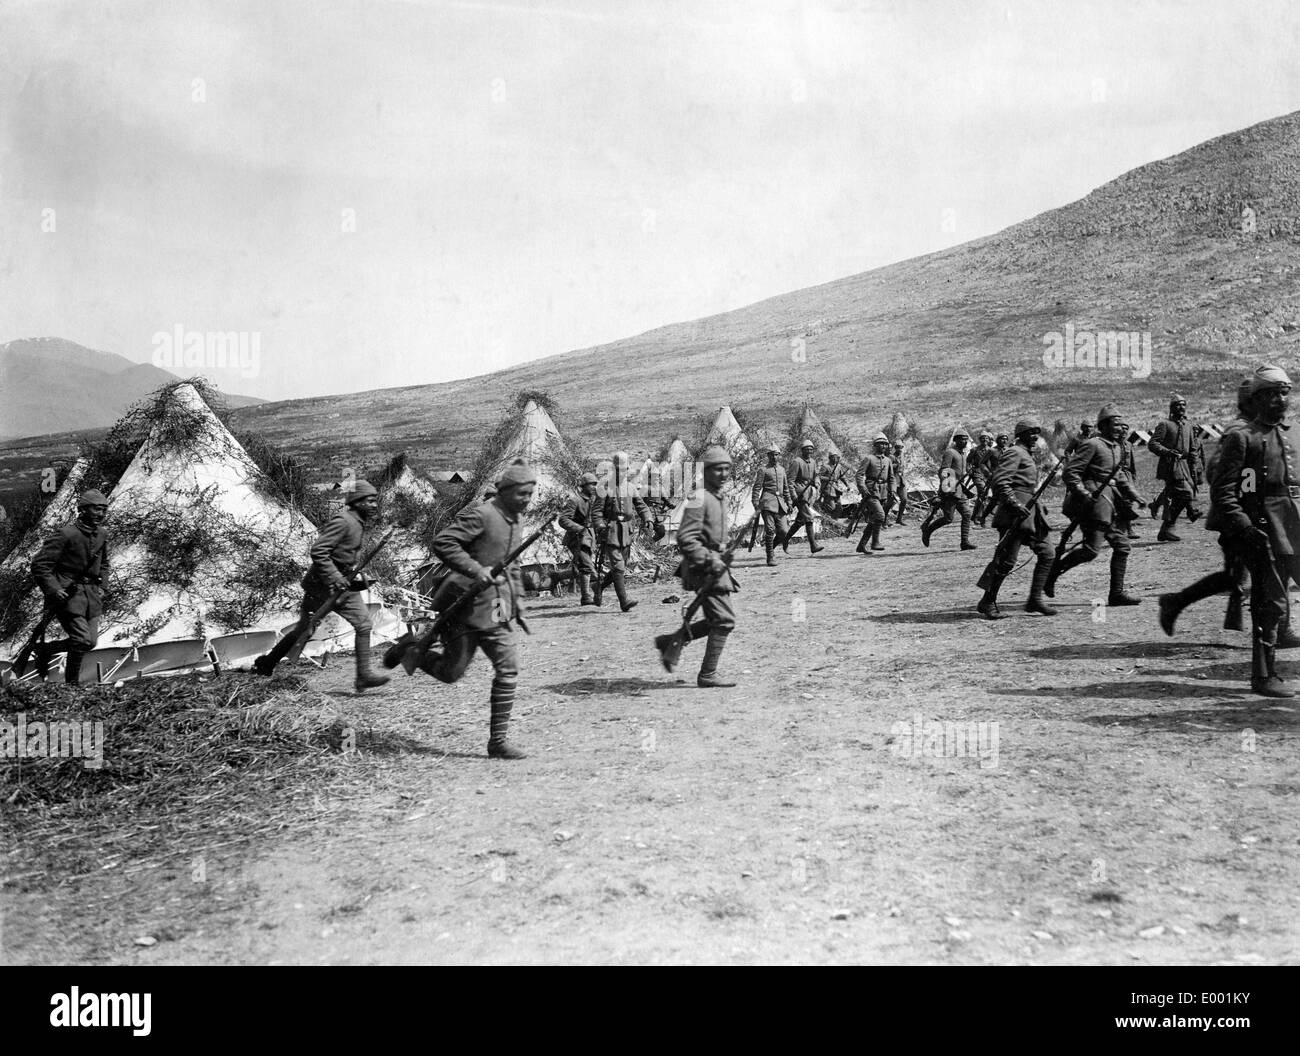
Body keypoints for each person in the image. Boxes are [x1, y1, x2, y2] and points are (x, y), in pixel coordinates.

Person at [387, 460, 537, 756]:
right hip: (464, 607)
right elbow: (443, 542)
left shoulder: (517, 520)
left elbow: (514, 564)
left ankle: (497, 742)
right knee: (450, 673)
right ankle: (407, 650)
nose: (527, 500)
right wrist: (475, 569)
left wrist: (517, 598)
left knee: (508, 670)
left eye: (530, 494)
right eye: (522, 494)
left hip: (497, 608)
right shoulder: (482, 515)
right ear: (505, 491)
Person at [1203, 366, 1300, 696]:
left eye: (1284, 392)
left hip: (1295, 524)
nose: (1279, 399)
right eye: (1271, 394)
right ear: (1256, 399)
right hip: (1261, 527)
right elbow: (1223, 491)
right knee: (1269, 600)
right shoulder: (1240, 436)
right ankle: (1263, 675)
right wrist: (1243, 528)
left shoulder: (1294, 432)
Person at [255, 481, 390, 691]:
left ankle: (363, 675)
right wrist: (336, 577)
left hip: (345, 586)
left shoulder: (358, 522)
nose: (374, 505)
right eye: (370, 501)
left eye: (375, 501)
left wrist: (358, 578)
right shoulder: (343, 521)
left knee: (364, 625)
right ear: (357, 502)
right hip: (322, 586)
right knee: (304, 631)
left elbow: (345, 558)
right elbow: (319, 551)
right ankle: (267, 664)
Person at [1158, 378, 1257, 638]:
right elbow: (1221, 474)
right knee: (1249, 575)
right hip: (1238, 517)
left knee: (1236, 577)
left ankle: (1176, 602)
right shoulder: (1239, 430)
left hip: (1252, 515)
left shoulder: (1259, 428)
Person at [1046, 407, 1145, 606]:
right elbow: (1071, 473)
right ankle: (1052, 572)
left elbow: (1119, 477)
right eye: (1114, 424)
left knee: (1122, 546)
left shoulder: (1116, 447)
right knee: (1091, 550)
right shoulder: (1092, 444)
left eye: (1120, 424)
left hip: (1110, 503)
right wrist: (1084, 493)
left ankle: (1116, 594)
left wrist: (1136, 496)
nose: (1119, 428)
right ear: (1103, 426)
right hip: (1093, 505)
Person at [658, 446, 738, 688]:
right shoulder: (699, 498)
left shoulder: (719, 497)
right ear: (706, 471)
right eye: (718, 469)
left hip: (716, 565)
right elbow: (686, 538)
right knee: (724, 620)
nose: (723, 474)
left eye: (727, 469)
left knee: (718, 619)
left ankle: (674, 639)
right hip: (703, 567)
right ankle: (707, 674)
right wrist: (710, 558)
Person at [976, 419, 1055, 619]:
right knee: (1006, 561)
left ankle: (1034, 600)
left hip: (1031, 513)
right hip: (1014, 514)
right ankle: (987, 601)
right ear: (1021, 435)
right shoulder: (1014, 452)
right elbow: (1000, 481)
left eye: (1037, 432)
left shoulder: (1027, 454)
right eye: (1031, 433)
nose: (1035, 436)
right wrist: (1014, 504)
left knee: (1047, 553)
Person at [29, 489, 110, 684]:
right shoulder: (66, 534)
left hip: (91, 595)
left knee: (90, 642)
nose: (100, 514)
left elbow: (105, 564)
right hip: (68, 595)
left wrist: (103, 587)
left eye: (103, 510)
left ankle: (45, 650)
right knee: (81, 639)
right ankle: (72, 684)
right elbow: (40, 564)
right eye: (96, 509)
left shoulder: (102, 534)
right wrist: (54, 589)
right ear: (82, 510)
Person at [592, 452, 652, 611]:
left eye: (624, 469)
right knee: (618, 567)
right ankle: (624, 601)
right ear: (613, 469)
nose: (622, 473)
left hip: (627, 531)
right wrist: (600, 527)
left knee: (620, 567)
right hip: (611, 531)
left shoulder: (631, 487)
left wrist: (648, 519)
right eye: (618, 469)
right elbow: (596, 512)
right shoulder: (604, 487)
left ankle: (599, 587)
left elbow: (641, 506)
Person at [1148, 393, 1205, 542]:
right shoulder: (1165, 425)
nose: (1181, 407)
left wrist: (1195, 467)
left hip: (1185, 464)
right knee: (1185, 492)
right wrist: (1167, 452)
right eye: (1177, 405)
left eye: (1183, 404)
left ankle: (1165, 527)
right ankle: (1185, 514)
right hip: (1170, 464)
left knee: (1178, 493)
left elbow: (1193, 448)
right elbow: (1152, 444)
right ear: (1172, 408)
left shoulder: (1189, 425)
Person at [921, 428, 977, 551]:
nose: (965, 441)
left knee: (967, 514)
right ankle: (928, 530)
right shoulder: (950, 452)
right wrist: (948, 487)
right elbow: (944, 470)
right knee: (948, 519)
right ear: (956, 440)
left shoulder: (963, 454)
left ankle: (964, 542)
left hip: (960, 489)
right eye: (962, 439)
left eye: (966, 439)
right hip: (950, 489)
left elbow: (961, 471)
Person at [558, 471, 600, 605]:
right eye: (591, 485)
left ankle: (586, 597)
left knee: (584, 567)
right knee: (588, 566)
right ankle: (590, 595)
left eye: (595, 484)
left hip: (589, 538)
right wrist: (579, 528)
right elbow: (563, 520)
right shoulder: (574, 500)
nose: (594, 487)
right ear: (584, 486)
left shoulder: (594, 500)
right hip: (576, 538)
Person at [751, 444, 793, 567]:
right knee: (770, 529)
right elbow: (757, 487)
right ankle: (770, 557)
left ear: (779, 456)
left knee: (784, 531)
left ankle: (771, 548)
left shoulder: (782, 470)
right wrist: (755, 503)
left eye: (776, 454)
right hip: (767, 503)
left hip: (780, 504)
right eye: (771, 455)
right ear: (768, 456)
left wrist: (789, 502)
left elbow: (785, 488)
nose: (774, 457)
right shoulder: (763, 470)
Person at [854, 434, 893, 554]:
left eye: (885, 444)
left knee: (873, 519)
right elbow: (859, 475)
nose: (883, 446)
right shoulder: (869, 458)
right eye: (880, 443)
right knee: (880, 515)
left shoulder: (888, 460)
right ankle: (875, 542)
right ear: (875, 445)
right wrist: (863, 489)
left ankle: (861, 545)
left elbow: (891, 478)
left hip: (883, 492)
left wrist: (892, 490)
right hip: (871, 491)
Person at [784, 440, 824, 554]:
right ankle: (813, 545)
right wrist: (794, 496)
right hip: (799, 494)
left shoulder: (813, 462)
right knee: (809, 518)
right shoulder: (797, 462)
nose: (809, 451)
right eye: (807, 449)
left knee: (800, 521)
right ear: (802, 450)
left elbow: (816, 476)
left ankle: (785, 539)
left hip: (809, 494)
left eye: (811, 449)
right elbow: (790, 481)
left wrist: (817, 484)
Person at [818, 451, 853, 517]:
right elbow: (819, 476)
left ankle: (833, 521)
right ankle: (826, 517)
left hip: (836, 489)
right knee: (831, 507)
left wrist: (847, 485)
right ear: (830, 458)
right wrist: (828, 478)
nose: (835, 459)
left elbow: (842, 476)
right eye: (833, 457)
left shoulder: (838, 466)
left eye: (836, 457)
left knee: (839, 508)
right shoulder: (825, 467)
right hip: (827, 490)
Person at [890, 441, 908, 525]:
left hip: (901, 480)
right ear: (895, 448)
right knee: (890, 501)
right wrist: (896, 465)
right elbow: (888, 468)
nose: (900, 449)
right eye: (898, 447)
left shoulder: (903, 456)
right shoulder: (892, 457)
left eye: (901, 447)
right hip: (894, 479)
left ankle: (899, 519)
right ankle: (884, 519)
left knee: (904, 499)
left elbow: (903, 467)